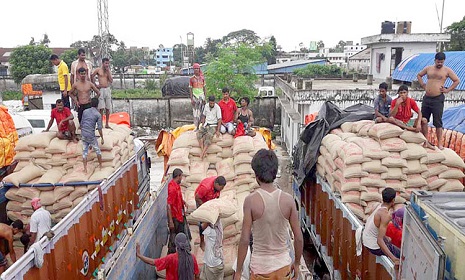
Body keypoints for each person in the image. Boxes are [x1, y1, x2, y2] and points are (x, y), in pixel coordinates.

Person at [235, 149, 303, 280]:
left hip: (261, 269)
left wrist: (238, 271)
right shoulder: (288, 200)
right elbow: (298, 237)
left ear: (256, 175)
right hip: (283, 266)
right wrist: (297, 263)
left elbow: (244, 239)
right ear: (275, 171)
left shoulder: (251, 201)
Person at [417, 52, 460, 150]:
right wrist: (423, 85)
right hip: (427, 98)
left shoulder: (447, 70)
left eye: (441, 62)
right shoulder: (429, 68)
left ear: (444, 61)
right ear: (435, 60)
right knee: (424, 120)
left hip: (438, 98)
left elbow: (457, 80)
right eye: (438, 61)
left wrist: (447, 90)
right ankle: (425, 141)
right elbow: (419, 75)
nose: (439, 63)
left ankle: (440, 143)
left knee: (438, 122)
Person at [136, 232, 200, 280]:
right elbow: (197, 275)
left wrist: (139, 255)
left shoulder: (171, 258)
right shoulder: (192, 257)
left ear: (176, 244)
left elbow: (153, 262)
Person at [362, 187, 400, 265]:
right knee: (401, 254)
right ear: (393, 200)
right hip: (373, 246)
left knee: (390, 243)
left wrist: (386, 237)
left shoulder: (377, 206)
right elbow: (379, 241)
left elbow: (374, 226)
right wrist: (394, 259)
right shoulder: (386, 215)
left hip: (366, 240)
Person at [194, 176, 226, 250]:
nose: (222, 190)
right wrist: (205, 208)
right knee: (203, 222)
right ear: (216, 184)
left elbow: (217, 197)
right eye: (221, 188)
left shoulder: (217, 187)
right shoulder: (205, 187)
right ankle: (202, 242)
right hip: (201, 200)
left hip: (210, 199)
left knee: (214, 219)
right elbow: (197, 197)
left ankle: (216, 241)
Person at [80, 97, 104, 173]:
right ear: (98, 105)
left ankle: (85, 168)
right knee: (97, 150)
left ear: (90, 103)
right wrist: (102, 137)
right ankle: (100, 166)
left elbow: (82, 123)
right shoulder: (98, 114)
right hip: (91, 135)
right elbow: (99, 128)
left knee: (84, 152)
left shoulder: (85, 111)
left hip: (83, 134)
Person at [167, 168, 187, 254]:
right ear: (178, 176)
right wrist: (171, 221)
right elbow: (168, 205)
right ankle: (171, 254)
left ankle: (179, 253)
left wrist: (184, 203)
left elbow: (178, 198)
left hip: (179, 215)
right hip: (175, 217)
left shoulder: (177, 185)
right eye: (181, 176)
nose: (182, 179)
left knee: (180, 234)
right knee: (174, 237)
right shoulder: (172, 189)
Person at [91, 58, 114, 129]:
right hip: (101, 89)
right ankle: (100, 124)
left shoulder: (108, 71)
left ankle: (107, 124)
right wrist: (95, 85)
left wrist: (108, 72)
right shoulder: (98, 70)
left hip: (107, 89)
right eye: (106, 63)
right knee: (101, 108)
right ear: (103, 63)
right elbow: (92, 76)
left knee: (108, 107)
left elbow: (111, 80)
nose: (107, 65)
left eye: (108, 63)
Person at [189, 63, 206, 130]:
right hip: (195, 97)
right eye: (195, 68)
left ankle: (201, 126)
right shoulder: (191, 79)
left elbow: (204, 88)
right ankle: (196, 127)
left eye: (197, 68)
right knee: (196, 113)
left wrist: (205, 97)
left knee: (202, 112)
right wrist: (191, 99)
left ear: (199, 69)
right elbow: (190, 89)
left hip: (201, 97)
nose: (196, 70)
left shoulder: (202, 78)